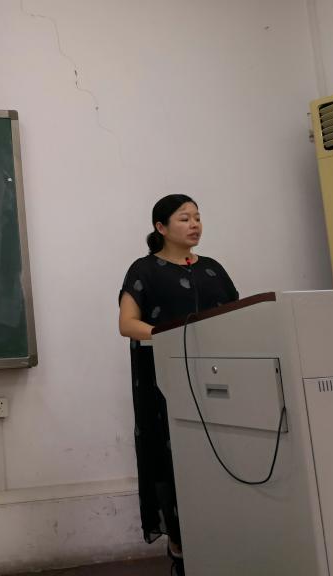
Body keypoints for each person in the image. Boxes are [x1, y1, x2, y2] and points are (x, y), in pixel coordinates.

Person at [117, 194, 238, 574]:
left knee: (221, 454)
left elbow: (237, 315)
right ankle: (181, 546)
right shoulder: (144, 270)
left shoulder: (213, 269)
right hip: (164, 382)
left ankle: (227, 542)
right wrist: (172, 336)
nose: (194, 224)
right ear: (161, 227)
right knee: (172, 460)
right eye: (184, 218)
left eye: (197, 217)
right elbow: (127, 324)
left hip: (216, 379)